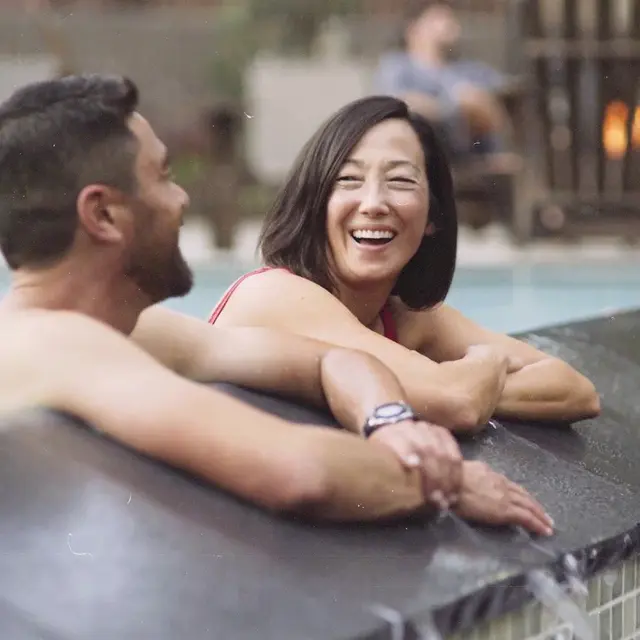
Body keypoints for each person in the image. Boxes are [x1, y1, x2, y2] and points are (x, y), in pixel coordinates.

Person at [0, 74, 553, 535]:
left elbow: (332, 360)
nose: (182, 197)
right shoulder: (56, 344)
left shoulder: (130, 332)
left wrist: (386, 421)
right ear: (102, 215)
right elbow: (299, 471)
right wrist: (442, 481)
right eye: (164, 177)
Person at [208, 95, 600, 434]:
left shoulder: (407, 319)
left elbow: (577, 391)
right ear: (315, 204)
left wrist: (464, 385)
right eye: (349, 180)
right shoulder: (275, 295)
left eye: (400, 181)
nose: (374, 204)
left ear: (433, 217)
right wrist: (489, 362)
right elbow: (457, 402)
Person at [373, 1, 519, 169]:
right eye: (439, 18)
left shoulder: (469, 69)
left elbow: (506, 96)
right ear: (413, 28)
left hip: (470, 153)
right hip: (421, 149)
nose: (451, 24)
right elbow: (397, 103)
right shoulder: (397, 65)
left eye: (451, 18)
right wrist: (454, 107)